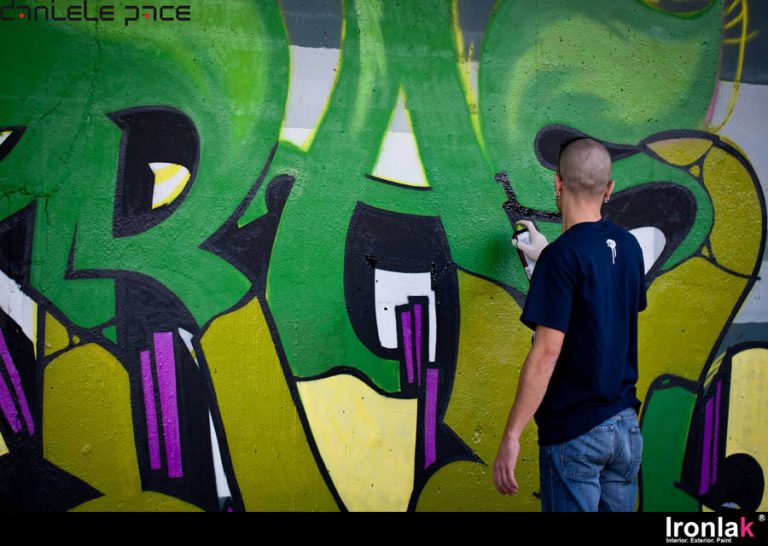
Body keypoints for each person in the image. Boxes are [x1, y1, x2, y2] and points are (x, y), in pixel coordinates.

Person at [492, 138, 647, 512]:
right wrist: (547, 261)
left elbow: (547, 353)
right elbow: (601, 309)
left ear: (558, 183)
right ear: (609, 188)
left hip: (578, 433)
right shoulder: (629, 247)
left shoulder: (561, 258)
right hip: (625, 428)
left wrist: (512, 434)